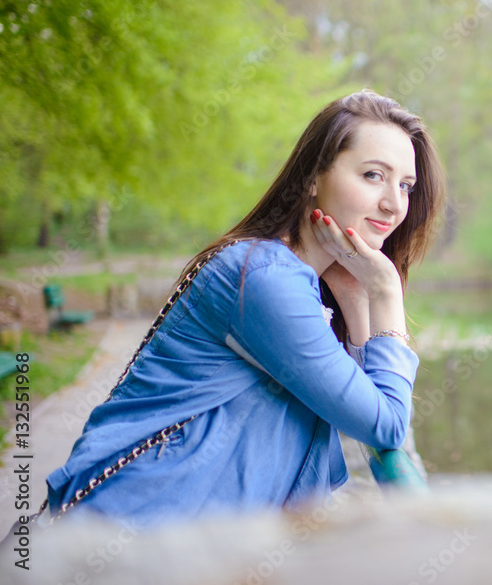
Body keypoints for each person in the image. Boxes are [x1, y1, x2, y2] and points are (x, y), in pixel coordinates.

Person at [40, 89, 445, 528]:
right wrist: (384, 291)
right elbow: (384, 425)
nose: (394, 204)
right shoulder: (265, 278)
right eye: (372, 176)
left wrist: (353, 297)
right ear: (313, 178)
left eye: (405, 185)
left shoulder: (299, 281)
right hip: (131, 535)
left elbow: (368, 404)